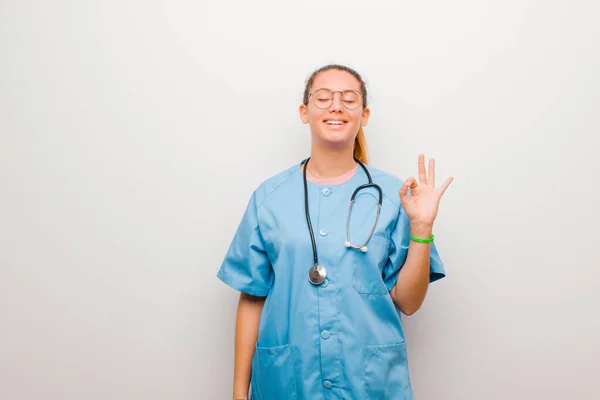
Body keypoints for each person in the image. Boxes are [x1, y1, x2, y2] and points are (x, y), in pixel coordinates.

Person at [216, 64, 453, 400]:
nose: (336, 107)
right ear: (304, 112)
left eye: (349, 99)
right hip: (288, 382)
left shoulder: (394, 196)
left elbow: (409, 302)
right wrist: (239, 394)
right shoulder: (269, 197)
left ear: (364, 115)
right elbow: (252, 297)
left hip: (369, 384)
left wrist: (422, 228)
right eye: (323, 98)